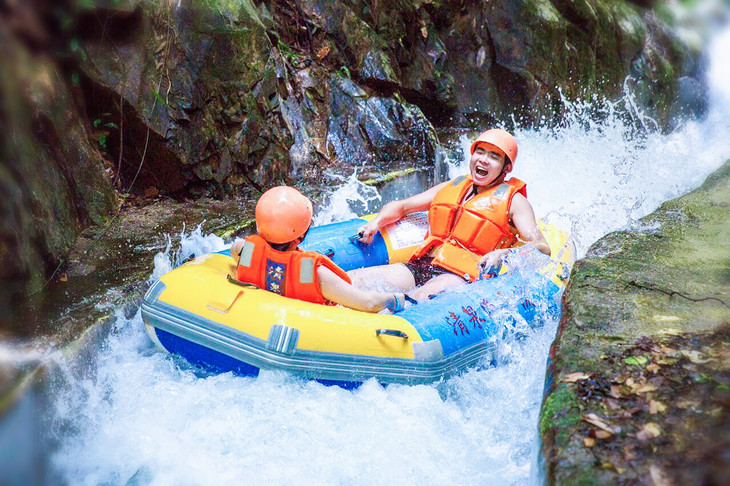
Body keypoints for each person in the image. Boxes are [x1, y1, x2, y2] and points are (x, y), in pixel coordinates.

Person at [350, 128, 551, 301]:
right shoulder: (454, 186)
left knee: (416, 301)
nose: (483, 160)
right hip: (423, 266)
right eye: (479, 152)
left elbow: (542, 248)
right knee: (352, 281)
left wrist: (502, 254)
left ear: (506, 168)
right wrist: (374, 224)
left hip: (461, 277)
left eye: (494, 156)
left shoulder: (515, 202)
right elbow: (403, 206)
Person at [230, 186, 409, 313]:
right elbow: (368, 303)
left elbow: (237, 250)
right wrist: (393, 300)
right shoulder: (315, 274)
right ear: (300, 236)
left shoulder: (243, 251)